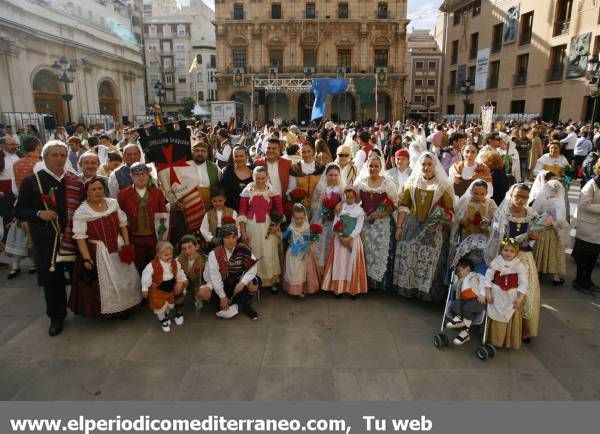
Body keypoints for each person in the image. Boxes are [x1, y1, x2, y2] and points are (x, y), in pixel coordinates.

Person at [14, 140, 84, 336]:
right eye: (55, 154)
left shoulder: (74, 180)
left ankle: (83, 308)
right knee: (53, 281)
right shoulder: (32, 181)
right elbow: (19, 211)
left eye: (63, 155)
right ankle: (56, 316)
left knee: (79, 275)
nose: (60, 159)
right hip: (47, 241)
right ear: (44, 157)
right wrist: (38, 214)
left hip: (73, 239)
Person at [68, 177, 142, 318]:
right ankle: (113, 310)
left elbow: (122, 225)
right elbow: (80, 237)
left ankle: (126, 306)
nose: (97, 192)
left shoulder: (112, 203)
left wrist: (126, 244)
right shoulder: (82, 211)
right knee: (108, 282)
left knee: (125, 278)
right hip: (100, 252)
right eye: (93, 189)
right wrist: (86, 259)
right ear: (87, 192)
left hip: (118, 247)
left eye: (100, 188)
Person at [393, 151, 455, 302]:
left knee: (428, 261)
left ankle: (426, 294)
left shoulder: (443, 185)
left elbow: (451, 211)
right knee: (411, 258)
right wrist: (400, 227)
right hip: (412, 226)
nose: (426, 167)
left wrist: (440, 219)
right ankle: (410, 290)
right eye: (423, 164)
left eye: (429, 164)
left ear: (435, 166)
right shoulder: (412, 182)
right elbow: (404, 206)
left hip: (433, 230)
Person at [486, 184, 541, 342]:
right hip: (506, 258)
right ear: (511, 195)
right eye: (517, 196)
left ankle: (524, 328)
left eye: (524, 197)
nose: (520, 200)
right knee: (505, 291)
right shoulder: (503, 213)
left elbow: (535, 234)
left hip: (524, 257)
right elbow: (496, 238)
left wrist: (533, 237)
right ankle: (502, 329)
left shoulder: (531, 214)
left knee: (527, 292)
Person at [238, 166, 284, 291]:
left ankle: (271, 280)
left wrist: (277, 226)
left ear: (267, 177)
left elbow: (280, 212)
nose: (260, 181)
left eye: (263, 178)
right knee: (254, 252)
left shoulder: (272, 191)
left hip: (268, 225)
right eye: (257, 178)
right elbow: (242, 212)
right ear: (253, 177)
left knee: (269, 252)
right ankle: (254, 281)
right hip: (251, 226)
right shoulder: (247, 191)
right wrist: (243, 231)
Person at [117, 162, 168, 274]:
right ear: (131, 176)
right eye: (137, 174)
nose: (141, 176)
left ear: (148, 175)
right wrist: (125, 241)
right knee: (137, 270)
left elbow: (163, 217)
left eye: (143, 174)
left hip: (153, 238)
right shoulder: (123, 195)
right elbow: (120, 220)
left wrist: (162, 241)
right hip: (134, 238)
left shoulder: (157, 193)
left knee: (155, 268)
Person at [356, 155, 397, 291]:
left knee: (379, 252)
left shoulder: (387, 183)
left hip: (382, 224)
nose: (373, 168)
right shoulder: (361, 183)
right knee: (365, 251)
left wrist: (381, 213)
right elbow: (354, 201)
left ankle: (378, 284)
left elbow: (394, 205)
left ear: (381, 167)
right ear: (367, 167)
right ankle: (364, 282)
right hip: (365, 223)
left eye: (376, 166)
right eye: (371, 166)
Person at [481, 238, 528, 350]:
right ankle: (492, 338)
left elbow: (523, 282)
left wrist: (520, 297)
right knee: (495, 313)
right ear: (501, 250)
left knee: (510, 313)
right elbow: (488, 278)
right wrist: (488, 292)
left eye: (512, 251)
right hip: (496, 295)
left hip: (511, 296)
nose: (508, 253)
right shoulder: (496, 263)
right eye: (506, 250)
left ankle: (506, 340)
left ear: (516, 253)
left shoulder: (519, 265)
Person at [206, 224, 260, 320]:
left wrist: (243, 282)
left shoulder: (244, 249)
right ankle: (237, 303)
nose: (231, 240)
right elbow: (215, 277)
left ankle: (246, 305)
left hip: (240, 280)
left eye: (234, 237)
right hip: (225, 283)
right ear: (222, 239)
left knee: (253, 283)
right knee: (220, 310)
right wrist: (222, 296)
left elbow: (253, 267)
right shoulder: (214, 254)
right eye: (227, 237)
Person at [322, 184, 367, 297]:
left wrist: (350, 237)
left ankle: (352, 288)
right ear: (344, 196)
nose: (349, 199)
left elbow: (359, 226)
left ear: (355, 197)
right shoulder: (340, 208)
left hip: (353, 240)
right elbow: (335, 224)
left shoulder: (359, 210)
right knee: (340, 262)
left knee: (351, 263)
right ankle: (338, 288)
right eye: (347, 197)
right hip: (340, 241)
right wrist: (341, 237)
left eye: (352, 197)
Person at [141, 241, 188, 332]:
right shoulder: (152, 265)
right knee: (159, 306)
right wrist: (145, 288)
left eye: (171, 254)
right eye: (166, 255)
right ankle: (163, 320)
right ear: (158, 254)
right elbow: (145, 276)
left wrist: (183, 279)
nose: (169, 256)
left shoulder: (174, 263)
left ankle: (165, 316)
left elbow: (179, 271)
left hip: (169, 289)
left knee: (167, 305)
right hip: (158, 290)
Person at [532, 179, 568, 285]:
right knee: (553, 253)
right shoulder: (559, 202)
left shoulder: (543, 200)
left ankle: (538, 272)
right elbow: (561, 221)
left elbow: (535, 213)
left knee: (540, 251)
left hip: (542, 231)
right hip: (553, 232)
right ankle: (555, 277)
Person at [571, 159, 600, 293]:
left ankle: (588, 280)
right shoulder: (592, 184)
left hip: (597, 229)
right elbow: (584, 204)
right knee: (584, 256)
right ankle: (579, 280)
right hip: (588, 227)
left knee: (593, 256)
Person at [310, 163, 344, 273]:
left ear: (339, 175)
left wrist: (340, 204)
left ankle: (333, 273)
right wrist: (323, 210)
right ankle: (321, 273)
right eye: (330, 175)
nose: (333, 177)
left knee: (333, 246)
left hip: (337, 222)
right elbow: (314, 204)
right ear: (326, 175)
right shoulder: (321, 188)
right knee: (322, 245)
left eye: (335, 175)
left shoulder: (342, 189)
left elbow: (348, 204)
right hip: (323, 220)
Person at [282, 203, 320, 297]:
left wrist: (310, 242)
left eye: (301, 218)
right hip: (293, 252)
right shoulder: (291, 227)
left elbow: (308, 240)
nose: (299, 220)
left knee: (302, 272)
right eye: (297, 218)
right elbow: (284, 236)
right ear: (293, 218)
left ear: (305, 216)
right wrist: (278, 232)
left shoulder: (306, 227)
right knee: (293, 271)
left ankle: (301, 289)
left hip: (303, 252)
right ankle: (292, 289)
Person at [445, 257, 485, 345]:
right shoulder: (460, 280)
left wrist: (482, 294)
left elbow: (483, 284)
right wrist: (455, 277)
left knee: (468, 306)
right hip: (464, 301)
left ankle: (461, 323)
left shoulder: (477, 275)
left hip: (477, 300)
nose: (458, 273)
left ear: (467, 269)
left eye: (459, 271)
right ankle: (463, 327)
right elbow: (454, 288)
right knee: (454, 304)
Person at [287, 141, 325, 212]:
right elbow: (291, 189)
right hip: (300, 206)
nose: (306, 154)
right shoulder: (295, 168)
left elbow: (323, 188)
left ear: (313, 151)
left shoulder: (321, 167)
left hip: (316, 206)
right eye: (303, 152)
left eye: (309, 151)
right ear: (300, 153)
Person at [178, 235, 212, 311]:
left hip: (199, 280)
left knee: (202, 289)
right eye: (184, 248)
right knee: (178, 285)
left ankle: (198, 297)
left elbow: (209, 276)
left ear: (197, 246)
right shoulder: (178, 260)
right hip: (186, 280)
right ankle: (178, 304)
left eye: (190, 247)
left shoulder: (205, 259)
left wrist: (206, 287)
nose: (187, 251)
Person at [221, 145, 253, 212]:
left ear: (246, 156)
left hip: (251, 212)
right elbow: (222, 192)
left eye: (241, 156)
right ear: (232, 157)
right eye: (236, 156)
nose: (239, 159)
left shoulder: (253, 172)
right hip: (231, 212)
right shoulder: (227, 172)